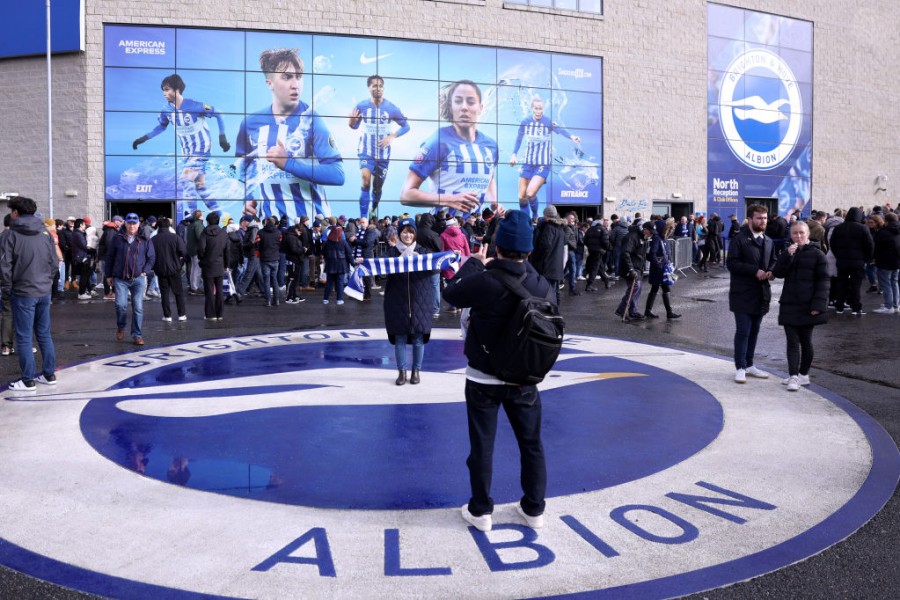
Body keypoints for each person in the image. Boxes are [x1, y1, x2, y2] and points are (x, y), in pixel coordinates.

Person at [442, 210, 552, 532]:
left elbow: (450, 293)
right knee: (531, 444)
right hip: (524, 379)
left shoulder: (485, 281)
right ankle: (534, 509)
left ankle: (481, 511)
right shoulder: (541, 284)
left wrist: (476, 260)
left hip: (483, 378)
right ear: (529, 251)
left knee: (482, 446)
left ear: (497, 246)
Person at [234, 48, 345, 221]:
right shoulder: (250, 124)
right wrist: (248, 198)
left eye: (298, 76)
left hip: (311, 230)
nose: (295, 84)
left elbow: (337, 174)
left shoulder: (312, 120)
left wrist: (288, 163)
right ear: (269, 83)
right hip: (271, 231)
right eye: (286, 77)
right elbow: (243, 169)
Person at [400, 80, 498, 218]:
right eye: (458, 101)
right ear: (450, 107)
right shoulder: (438, 141)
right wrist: (450, 199)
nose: (464, 107)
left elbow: (490, 176)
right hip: (442, 230)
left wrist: (494, 201)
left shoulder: (491, 146)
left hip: (472, 230)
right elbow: (406, 195)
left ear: (480, 107)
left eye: (470, 102)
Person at [132, 73, 230, 207]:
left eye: (167, 89)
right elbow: (161, 126)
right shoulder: (166, 110)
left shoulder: (195, 105)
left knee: (185, 180)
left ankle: (191, 218)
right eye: (163, 90)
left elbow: (218, 113)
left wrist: (222, 137)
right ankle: (219, 215)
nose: (164, 93)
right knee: (200, 187)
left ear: (177, 89)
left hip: (201, 148)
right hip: (186, 152)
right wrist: (143, 138)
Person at [0, 196, 59, 391]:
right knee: (43, 333)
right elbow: (54, 262)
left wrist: (7, 288)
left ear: (15, 213)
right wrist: (47, 282)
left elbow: (5, 266)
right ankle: (49, 374)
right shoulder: (45, 233)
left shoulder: (10, 235)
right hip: (43, 290)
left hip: (23, 291)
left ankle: (27, 380)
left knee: (24, 337)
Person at [771, 221, 829, 391]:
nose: (798, 236)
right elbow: (778, 273)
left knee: (806, 341)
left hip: (808, 304)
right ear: (791, 235)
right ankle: (793, 376)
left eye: (801, 233)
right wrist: (787, 256)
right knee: (792, 341)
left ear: (808, 234)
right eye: (795, 233)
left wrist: (818, 305)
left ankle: (803, 374)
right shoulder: (788, 251)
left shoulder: (818, 254)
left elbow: (824, 281)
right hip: (789, 302)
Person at [508, 96, 581, 219]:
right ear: (532, 108)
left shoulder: (548, 122)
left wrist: (572, 136)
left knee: (530, 193)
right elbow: (519, 139)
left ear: (543, 109)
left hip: (543, 164)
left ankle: (535, 215)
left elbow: (560, 130)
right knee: (521, 197)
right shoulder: (525, 122)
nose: (538, 111)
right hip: (527, 162)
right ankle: (527, 221)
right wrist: (514, 154)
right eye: (536, 108)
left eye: (540, 108)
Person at [726, 204, 775, 383]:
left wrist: (771, 271)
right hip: (742, 293)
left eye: (765, 218)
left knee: (754, 331)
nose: (763, 221)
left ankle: (749, 364)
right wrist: (754, 270)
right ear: (750, 219)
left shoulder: (768, 241)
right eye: (759, 218)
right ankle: (740, 367)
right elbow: (731, 263)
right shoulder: (739, 239)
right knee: (743, 331)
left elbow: (774, 261)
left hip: (761, 294)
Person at [348, 75, 410, 218]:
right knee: (365, 181)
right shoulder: (361, 106)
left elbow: (406, 126)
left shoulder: (391, 108)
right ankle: (363, 217)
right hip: (366, 151)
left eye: (380, 86)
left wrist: (392, 136)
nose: (378, 88)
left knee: (377, 189)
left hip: (383, 155)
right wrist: (351, 122)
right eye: (374, 86)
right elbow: (354, 126)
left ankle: (373, 208)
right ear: (369, 88)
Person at [383, 218, 435, 385]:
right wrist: (365, 263)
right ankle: (401, 372)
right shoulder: (391, 253)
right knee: (399, 338)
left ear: (415, 234)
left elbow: (437, 266)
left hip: (421, 301)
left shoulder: (424, 252)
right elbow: (378, 267)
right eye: (404, 231)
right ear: (399, 233)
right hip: (397, 301)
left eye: (411, 231)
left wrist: (453, 256)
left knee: (419, 338)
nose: (407, 235)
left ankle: (416, 371)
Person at [106, 213, 156, 346]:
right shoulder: (117, 238)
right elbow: (110, 257)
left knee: (138, 307)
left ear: (138, 224)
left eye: (134, 223)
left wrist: (145, 271)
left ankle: (137, 335)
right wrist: (108, 275)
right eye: (129, 223)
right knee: (120, 305)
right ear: (125, 223)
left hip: (138, 278)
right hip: (120, 278)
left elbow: (151, 257)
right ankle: (121, 326)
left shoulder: (145, 238)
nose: (132, 225)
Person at [829, 207, 874, 316]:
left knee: (841, 283)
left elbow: (832, 244)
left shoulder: (838, 228)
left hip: (842, 261)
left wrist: (838, 255)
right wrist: (867, 259)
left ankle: (839, 306)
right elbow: (870, 245)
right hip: (858, 261)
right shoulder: (863, 228)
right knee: (856, 285)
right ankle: (856, 307)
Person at [151, 217, 187, 322]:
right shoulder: (175, 238)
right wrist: (180, 264)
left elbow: (150, 255)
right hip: (175, 269)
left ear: (158, 227)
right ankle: (181, 314)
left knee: (164, 293)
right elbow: (183, 252)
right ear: (169, 226)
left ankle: (167, 316)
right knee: (178, 292)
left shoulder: (153, 239)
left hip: (160, 269)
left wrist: (154, 267)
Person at [644, 219, 681, 319]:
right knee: (663, 288)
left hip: (661, 268)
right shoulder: (657, 238)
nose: (670, 230)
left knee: (656, 288)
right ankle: (668, 312)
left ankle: (649, 311)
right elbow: (652, 254)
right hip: (659, 269)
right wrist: (659, 265)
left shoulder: (661, 238)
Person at [530, 205, 567, 304]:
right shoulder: (560, 228)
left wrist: (536, 259)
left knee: (548, 291)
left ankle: (552, 312)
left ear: (546, 215)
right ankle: (555, 311)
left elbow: (545, 246)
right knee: (553, 290)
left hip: (547, 265)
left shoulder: (549, 227)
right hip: (555, 265)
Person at [616, 221, 653, 321]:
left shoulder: (642, 237)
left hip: (637, 266)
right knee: (635, 287)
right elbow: (625, 252)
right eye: (650, 232)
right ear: (645, 230)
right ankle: (622, 309)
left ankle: (633, 310)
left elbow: (642, 253)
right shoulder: (632, 237)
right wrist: (631, 269)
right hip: (631, 267)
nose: (651, 235)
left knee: (637, 288)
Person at [196, 212, 230, 320]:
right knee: (219, 290)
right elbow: (227, 250)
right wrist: (226, 264)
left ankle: (210, 314)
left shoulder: (204, 233)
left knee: (209, 291)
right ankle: (220, 314)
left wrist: (202, 258)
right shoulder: (223, 233)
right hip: (219, 264)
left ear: (208, 221)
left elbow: (201, 249)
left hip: (207, 264)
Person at [439, 216, 470, 312]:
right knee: (460, 284)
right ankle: (459, 305)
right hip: (461, 262)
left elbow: (443, 251)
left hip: (450, 264)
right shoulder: (462, 235)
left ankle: (453, 306)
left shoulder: (443, 235)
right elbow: (467, 249)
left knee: (450, 285)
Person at [872, 212, 900, 314]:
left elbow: (876, 247)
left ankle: (889, 306)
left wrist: (874, 257)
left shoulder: (883, 232)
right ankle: (895, 305)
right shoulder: (897, 230)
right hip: (897, 261)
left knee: (886, 284)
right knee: (894, 283)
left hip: (885, 261)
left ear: (886, 221)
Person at [349, 217, 379, 301]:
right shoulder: (360, 231)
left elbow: (367, 243)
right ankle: (358, 293)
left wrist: (354, 241)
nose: (361, 224)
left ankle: (368, 295)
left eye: (363, 222)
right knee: (357, 276)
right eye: (360, 222)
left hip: (365, 256)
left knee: (366, 277)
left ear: (367, 223)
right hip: (358, 256)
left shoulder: (371, 231)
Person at [322, 225, 353, 305]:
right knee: (340, 283)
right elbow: (349, 254)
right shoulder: (343, 242)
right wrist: (353, 263)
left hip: (330, 265)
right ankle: (339, 299)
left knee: (329, 283)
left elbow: (324, 253)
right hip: (341, 265)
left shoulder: (327, 243)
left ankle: (325, 299)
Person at [257, 216, 283, 307]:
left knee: (266, 280)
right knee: (274, 279)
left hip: (265, 259)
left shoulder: (260, 233)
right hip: (275, 258)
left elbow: (257, 245)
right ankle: (276, 300)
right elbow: (280, 244)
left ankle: (268, 300)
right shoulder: (278, 232)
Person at [583, 218, 612, 291]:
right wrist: (609, 248)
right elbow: (605, 241)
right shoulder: (603, 230)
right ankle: (589, 284)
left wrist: (590, 247)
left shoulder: (590, 230)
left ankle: (606, 282)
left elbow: (585, 240)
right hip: (599, 251)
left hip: (592, 251)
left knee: (600, 266)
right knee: (595, 267)